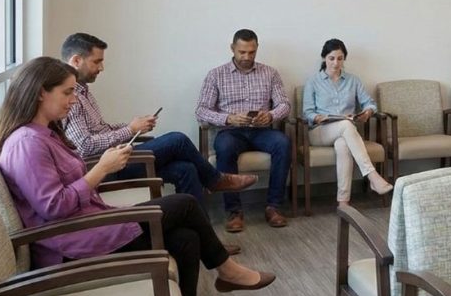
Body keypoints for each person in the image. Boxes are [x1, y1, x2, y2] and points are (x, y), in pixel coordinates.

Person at [0, 57, 277, 296]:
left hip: (92, 226)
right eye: (66, 93)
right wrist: (101, 169)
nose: (73, 100)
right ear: (40, 93)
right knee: (185, 203)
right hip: (74, 244)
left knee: (185, 239)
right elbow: (53, 206)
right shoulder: (26, 143)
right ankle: (226, 269)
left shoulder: (45, 134)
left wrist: (103, 165)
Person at [61, 33, 258, 205]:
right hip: (103, 167)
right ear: (77, 60)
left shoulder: (83, 92)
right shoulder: (70, 98)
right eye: (96, 61)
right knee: (177, 140)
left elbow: (100, 129)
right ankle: (216, 180)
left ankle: (202, 241)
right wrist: (129, 130)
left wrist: (133, 126)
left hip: (114, 156)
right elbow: (85, 146)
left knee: (187, 169)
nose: (101, 67)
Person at [196, 29, 292, 232]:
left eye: (252, 52)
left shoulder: (270, 73)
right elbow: (201, 111)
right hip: (230, 131)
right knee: (225, 147)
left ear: (257, 49)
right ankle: (234, 211)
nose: (247, 57)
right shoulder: (216, 75)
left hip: (261, 130)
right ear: (232, 49)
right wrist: (228, 118)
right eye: (242, 52)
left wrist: (271, 115)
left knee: (283, 142)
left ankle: (273, 206)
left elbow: (284, 104)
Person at [302, 38, 393, 207]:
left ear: (344, 59)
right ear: (324, 58)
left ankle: (343, 202)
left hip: (345, 133)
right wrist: (317, 117)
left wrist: (368, 111)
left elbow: (370, 103)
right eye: (331, 58)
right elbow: (307, 112)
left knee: (343, 144)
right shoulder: (313, 81)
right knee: (346, 125)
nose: (336, 63)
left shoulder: (353, 80)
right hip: (320, 132)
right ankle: (372, 175)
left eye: (340, 58)